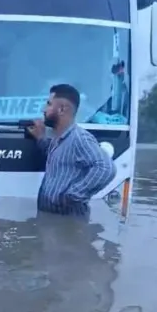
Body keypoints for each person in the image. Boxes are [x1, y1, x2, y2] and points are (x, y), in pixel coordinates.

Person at [26, 84, 116, 217]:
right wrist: (40, 138)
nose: (43, 110)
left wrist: (75, 194)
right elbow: (59, 158)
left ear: (61, 109)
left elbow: (107, 168)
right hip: (53, 223)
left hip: (68, 223)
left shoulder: (80, 138)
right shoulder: (59, 138)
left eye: (49, 104)